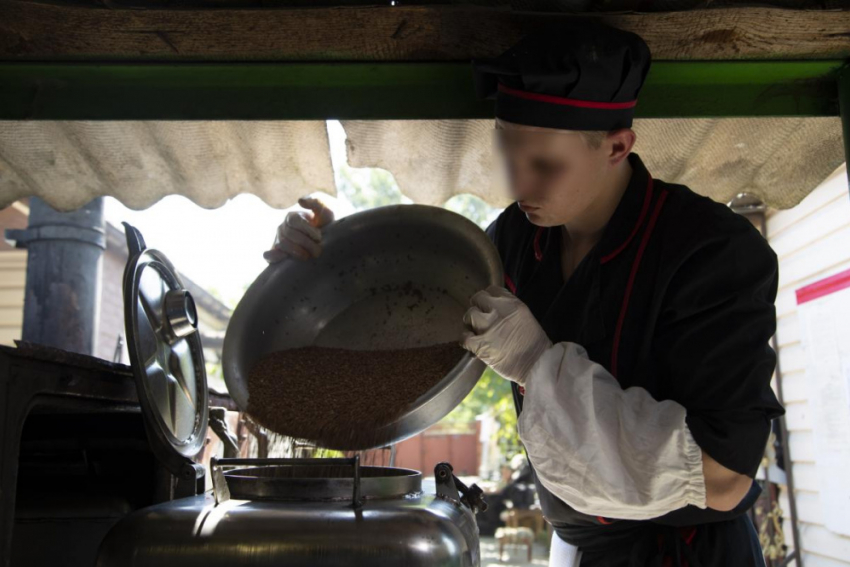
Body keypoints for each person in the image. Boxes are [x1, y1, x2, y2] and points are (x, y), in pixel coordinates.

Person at [265, 22, 784, 566]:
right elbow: (416, 307)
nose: (520, 186)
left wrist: (538, 364)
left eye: (545, 166)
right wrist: (323, 263)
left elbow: (722, 477)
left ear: (616, 146)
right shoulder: (515, 240)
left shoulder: (712, 253)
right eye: (509, 157)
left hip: (686, 553)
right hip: (575, 543)